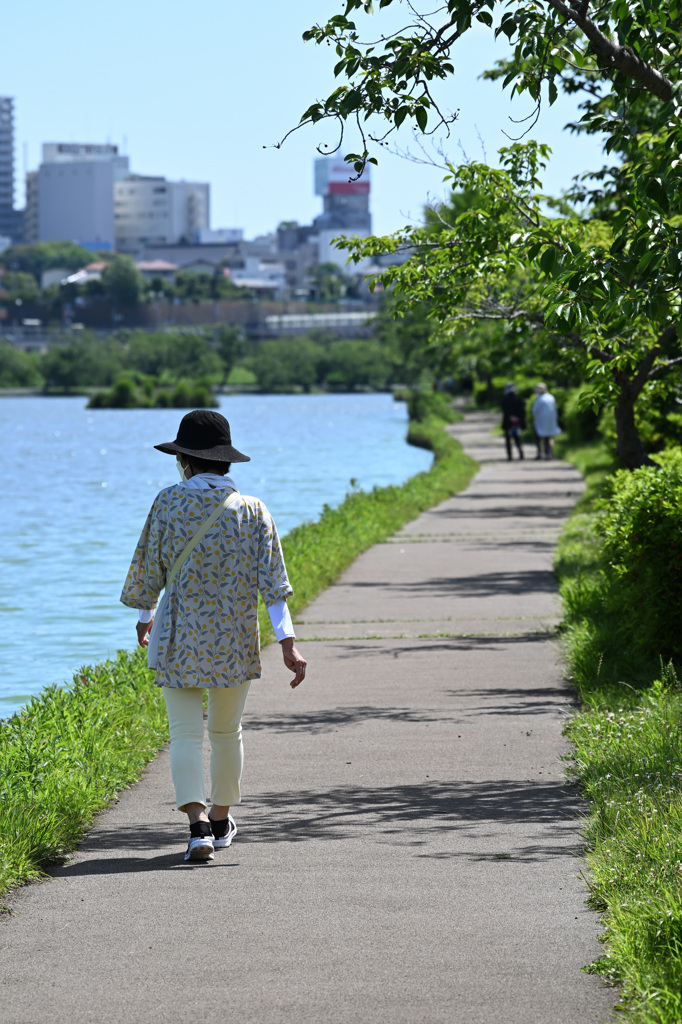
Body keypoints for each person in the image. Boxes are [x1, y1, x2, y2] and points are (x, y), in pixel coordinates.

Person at [120, 410, 306, 863]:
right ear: (226, 462)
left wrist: (146, 617)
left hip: (179, 635)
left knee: (184, 734)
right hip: (233, 638)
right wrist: (288, 644)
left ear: (184, 459)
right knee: (226, 732)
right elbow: (274, 585)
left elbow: (151, 570)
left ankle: (197, 828)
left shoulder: (168, 503)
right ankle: (222, 822)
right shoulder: (254, 510)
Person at [531, 383, 561, 459]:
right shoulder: (550, 397)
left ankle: (541, 454)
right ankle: (547, 454)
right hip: (548, 422)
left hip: (541, 421)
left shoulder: (540, 398)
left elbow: (535, 410)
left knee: (540, 438)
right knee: (547, 438)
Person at [500, 382, 526, 461]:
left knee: (508, 440)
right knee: (517, 439)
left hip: (508, 422)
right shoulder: (519, 399)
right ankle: (521, 454)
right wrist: (517, 418)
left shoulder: (504, 399)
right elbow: (522, 411)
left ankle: (510, 456)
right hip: (517, 422)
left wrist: (510, 417)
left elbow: (504, 410)